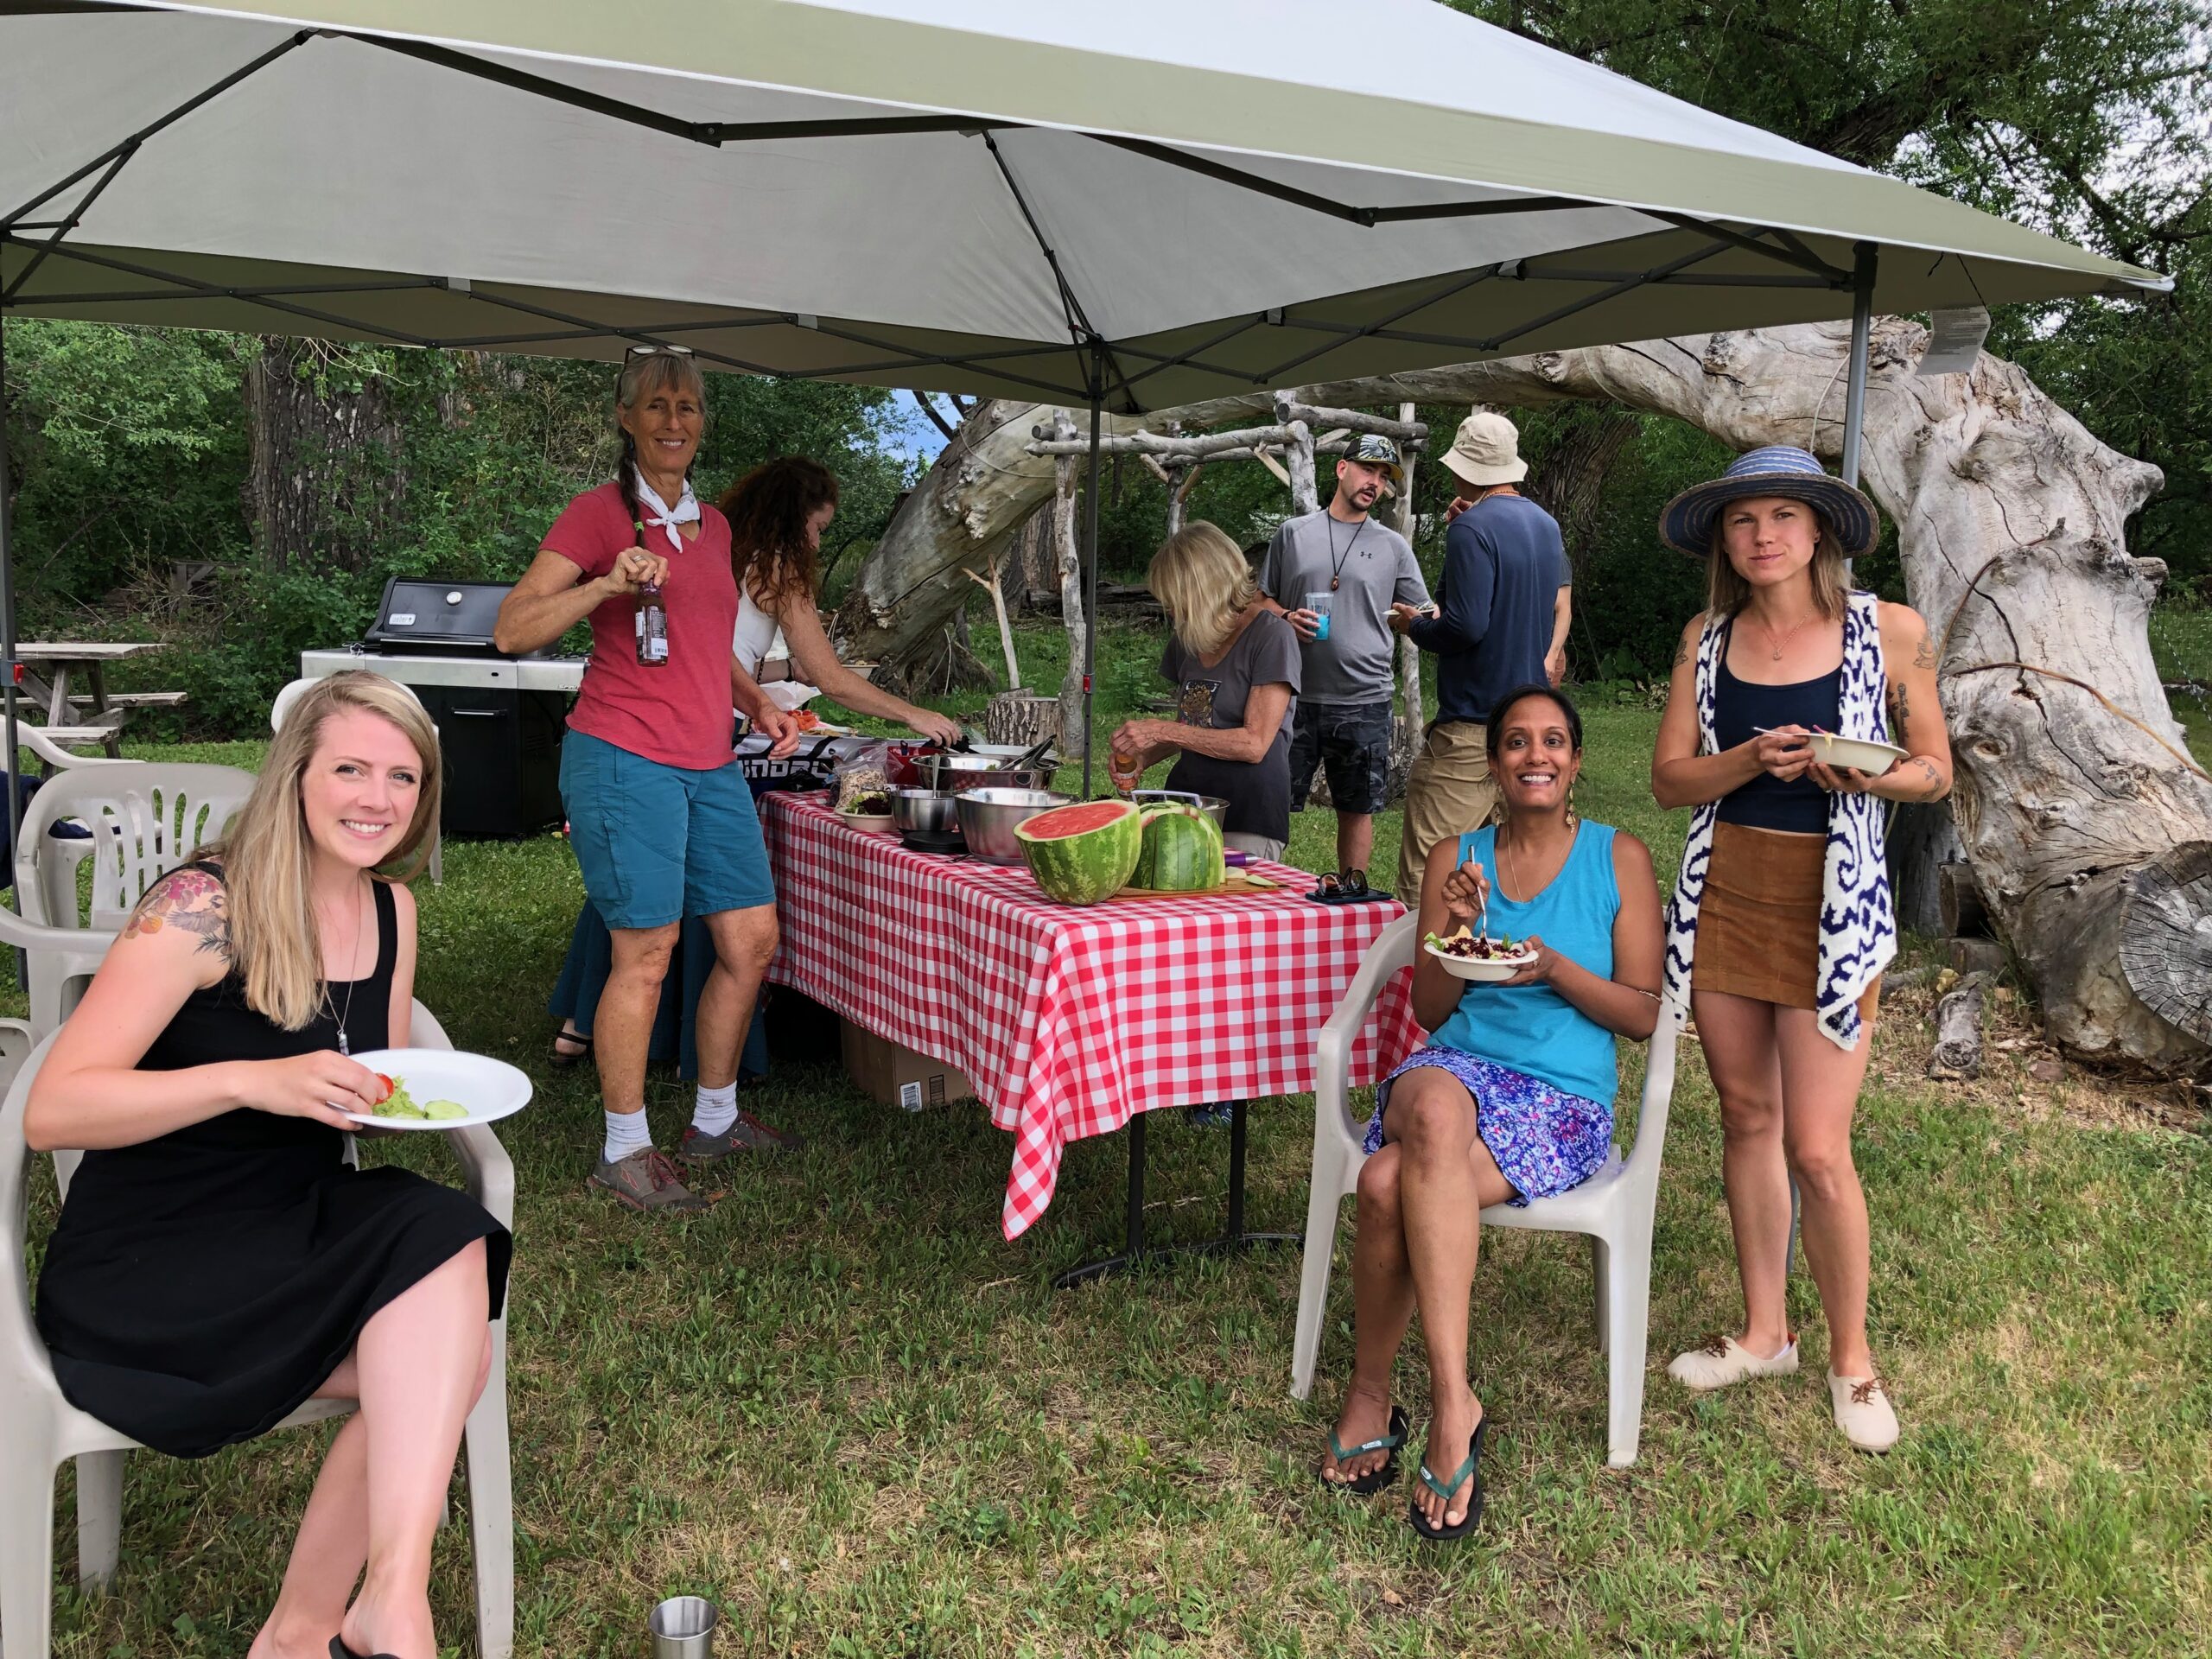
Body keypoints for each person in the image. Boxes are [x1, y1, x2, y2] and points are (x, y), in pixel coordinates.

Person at [28, 672, 508, 1659]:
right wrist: (251, 1080)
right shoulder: (204, 906)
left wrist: (377, 1104)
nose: (377, 799)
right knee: (446, 1354)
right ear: (296, 775)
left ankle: (367, 1608)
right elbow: (54, 1109)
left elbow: (368, 1081)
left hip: (294, 1215)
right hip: (154, 1255)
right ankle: (328, 1627)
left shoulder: (390, 912)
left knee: (445, 1238)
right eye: (350, 769)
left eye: (403, 778)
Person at [1649, 445, 1953, 1452]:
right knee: (1745, 1116)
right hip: (1729, 886)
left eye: (1783, 515)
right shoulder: (1707, 634)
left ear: (1819, 528)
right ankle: (1765, 1332)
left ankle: (1853, 1360)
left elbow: (1935, 771)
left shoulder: (1887, 629)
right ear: (1724, 543)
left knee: (1818, 1149)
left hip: (1836, 900)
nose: (1764, 535)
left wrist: (1863, 776)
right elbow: (1669, 782)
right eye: (1744, 521)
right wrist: (1741, 761)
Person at [1319, 685, 1662, 1540]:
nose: (1534, 755)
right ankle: (1449, 1398)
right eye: (1516, 742)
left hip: (1563, 1099)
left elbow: (1642, 1012)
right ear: (1496, 763)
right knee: (1431, 1106)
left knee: (1387, 1179)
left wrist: (1553, 969)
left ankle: (1380, 1391)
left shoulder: (1618, 859)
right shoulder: (1455, 858)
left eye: (1552, 741)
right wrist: (1458, 927)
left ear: (1576, 761)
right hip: (1455, 1067)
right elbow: (1434, 1010)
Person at [494, 345, 798, 1215]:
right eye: (657, 406)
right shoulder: (596, 515)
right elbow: (514, 631)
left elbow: (704, 643)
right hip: (624, 757)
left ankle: (715, 1118)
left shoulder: (717, 527)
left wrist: (758, 702)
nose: (674, 421)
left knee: (750, 943)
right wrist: (601, 586)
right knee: (647, 952)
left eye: (689, 407)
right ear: (626, 417)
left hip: (709, 763)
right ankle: (624, 1148)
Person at [545, 456, 963, 1088]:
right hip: (666, 741)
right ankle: (637, 1119)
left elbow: (717, 655)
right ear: (796, 521)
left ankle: (594, 1029)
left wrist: (764, 701)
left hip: (699, 733)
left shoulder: (716, 539)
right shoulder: (773, 563)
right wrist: (913, 714)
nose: (819, 542)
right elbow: (827, 675)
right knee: (654, 928)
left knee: (660, 908)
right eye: (819, 528)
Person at [1389, 410, 1572, 904]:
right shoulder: (1545, 525)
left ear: (1465, 468)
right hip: (1525, 719)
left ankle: (1415, 973)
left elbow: (1465, 625)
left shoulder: (1472, 529)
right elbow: (1536, 602)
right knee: (1505, 870)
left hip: (1471, 726)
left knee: (1428, 872)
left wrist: (1414, 625)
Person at [1255, 434, 1429, 880]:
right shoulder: (1293, 534)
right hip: (1291, 695)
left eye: (1383, 477)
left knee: (1356, 807)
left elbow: (1426, 613)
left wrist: (1406, 619)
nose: (1374, 482)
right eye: (1368, 470)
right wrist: (1285, 617)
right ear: (1341, 469)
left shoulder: (1393, 546)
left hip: (1364, 699)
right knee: (1271, 800)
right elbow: (1259, 601)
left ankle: (1350, 893)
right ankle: (1260, 890)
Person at [1110, 520, 1300, 862]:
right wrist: (1144, 756)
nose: (1170, 610)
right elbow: (1194, 725)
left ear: (1204, 590)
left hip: (1248, 814)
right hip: (1185, 804)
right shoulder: (1189, 637)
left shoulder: (1272, 637)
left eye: (1175, 599)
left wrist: (1159, 730)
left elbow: (1254, 744)